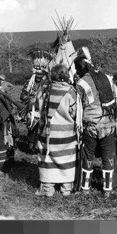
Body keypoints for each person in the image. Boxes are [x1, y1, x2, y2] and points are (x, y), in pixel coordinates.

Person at [74, 47, 117, 197]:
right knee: (108, 155)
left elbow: (78, 106)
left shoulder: (80, 83)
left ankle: (85, 187)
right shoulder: (107, 78)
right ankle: (107, 190)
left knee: (88, 155)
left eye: (76, 68)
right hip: (108, 123)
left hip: (90, 125)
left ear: (80, 68)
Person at [35, 64, 77, 197]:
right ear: (65, 75)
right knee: (67, 160)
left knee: (47, 159)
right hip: (66, 133)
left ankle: (48, 189)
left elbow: (38, 107)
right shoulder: (71, 91)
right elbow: (75, 112)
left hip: (47, 133)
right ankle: (66, 189)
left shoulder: (45, 90)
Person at [20, 68, 48, 153]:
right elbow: (22, 96)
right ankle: (30, 148)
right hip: (32, 109)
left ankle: (38, 147)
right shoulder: (29, 83)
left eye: (41, 75)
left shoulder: (45, 84)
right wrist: (31, 99)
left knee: (41, 129)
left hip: (43, 108)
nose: (39, 76)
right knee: (32, 128)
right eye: (37, 74)